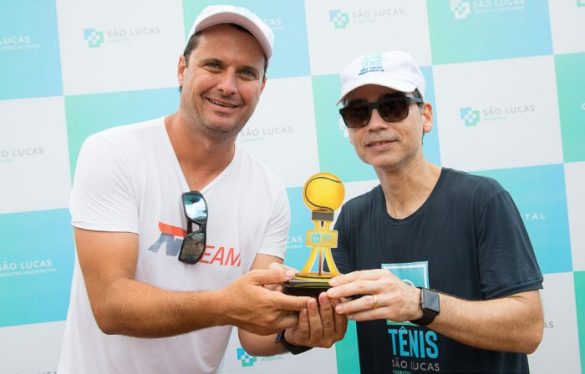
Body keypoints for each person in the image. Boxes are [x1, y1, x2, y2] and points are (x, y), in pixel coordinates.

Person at [58, 5, 346, 374]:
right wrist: (226, 303)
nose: (227, 85)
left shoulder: (269, 191)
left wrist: (298, 332)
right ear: (182, 70)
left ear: (262, 87)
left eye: (246, 73)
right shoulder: (114, 153)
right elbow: (111, 306)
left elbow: (253, 332)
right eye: (213, 65)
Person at [326, 50, 544, 373]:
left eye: (392, 107)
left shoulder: (482, 200)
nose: (375, 124)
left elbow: (528, 328)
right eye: (358, 113)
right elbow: (325, 316)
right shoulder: (352, 218)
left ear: (425, 115)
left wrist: (416, 303)